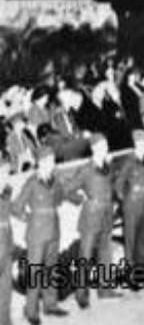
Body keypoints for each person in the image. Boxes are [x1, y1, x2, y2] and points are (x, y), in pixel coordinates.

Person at [12, 146, 68, 324]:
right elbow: (16, 207)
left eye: (53, 160)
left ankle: (51, 305)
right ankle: (31, 311)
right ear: (41, 162)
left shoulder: (55, 180)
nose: (52, 163)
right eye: (49, 160)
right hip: (36, 234)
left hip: (53, 230)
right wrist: (30, 218)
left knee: (51, 269)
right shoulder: (32, 182)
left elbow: (59, 199)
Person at [66, 133, 122, 308]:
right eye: (101, 146)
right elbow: (67, 189)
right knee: (86, 255)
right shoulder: (86, 169)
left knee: (105, 252)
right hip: (91, 215)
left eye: (106, 145)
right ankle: (81, 294)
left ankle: (105, 289)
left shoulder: (108, 166)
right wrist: (81, 199)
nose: (105, 149)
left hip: (106, 213)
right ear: (94, 148)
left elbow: (111, 186)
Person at [114, 129, 144, 289]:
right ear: (135, 144)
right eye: (141, 143)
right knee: (131, 243)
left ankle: (143, 275)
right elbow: (118, 185)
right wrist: (125, 201)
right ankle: (130, 278)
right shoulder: (128, 162)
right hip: (132, 205)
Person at [0, 156, 13, 325]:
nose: (6, 177)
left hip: (7, 244)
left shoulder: (6, 191)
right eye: (2, 173)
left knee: (6, 288)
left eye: (7, 173)